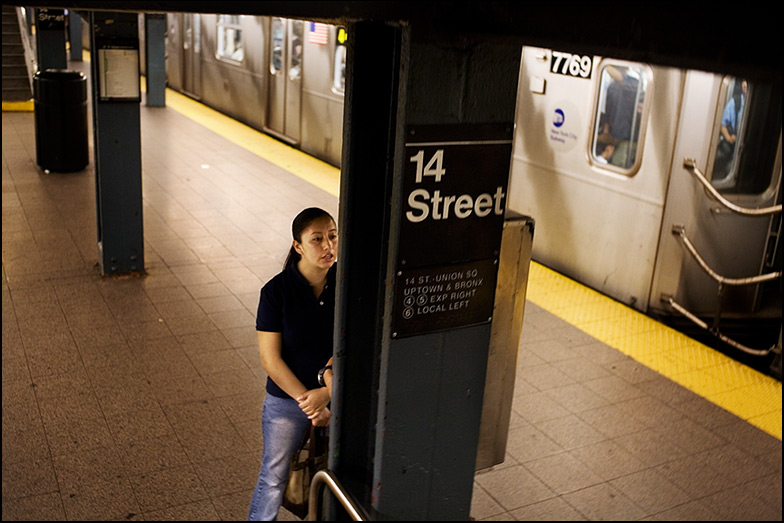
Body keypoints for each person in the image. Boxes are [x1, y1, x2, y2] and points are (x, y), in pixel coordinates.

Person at [248, 207, 338, 521]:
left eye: (332, 236)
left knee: (337, 476)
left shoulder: (346, 283)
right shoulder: (276, 292)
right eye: (317, 239)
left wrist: (326, 394)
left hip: (334, 394)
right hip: (287, 401)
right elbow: (270, 360)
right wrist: (310, 402)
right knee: (274, 477)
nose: (328, 246)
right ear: (297, 246)